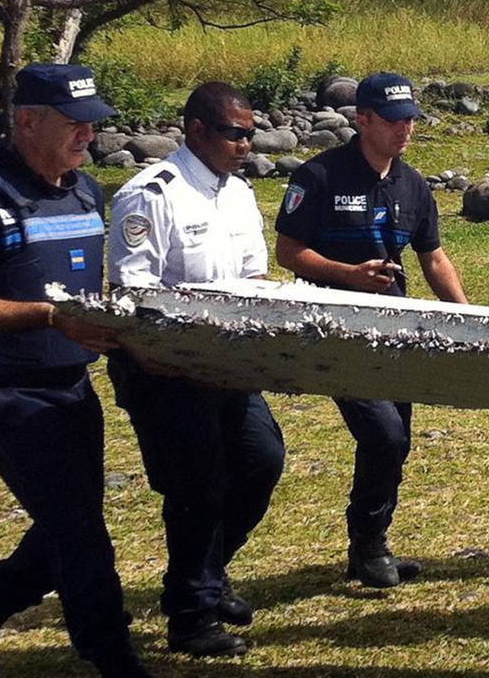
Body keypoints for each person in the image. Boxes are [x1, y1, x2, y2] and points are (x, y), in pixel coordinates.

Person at [0, 64, 150, 678]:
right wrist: (48, 318)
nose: (88, 136)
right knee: (79, 530)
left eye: (92, 125)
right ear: (26, 121)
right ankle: (112, 655)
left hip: (73, 384)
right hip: (6, 388)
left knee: (67, 523)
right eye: (74, 124)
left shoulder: (85, 191)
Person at [106, 82, 285, 658]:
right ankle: (189, 615)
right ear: (198, 130)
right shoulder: (151, 195)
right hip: (168, 368)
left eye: (251, 134)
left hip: (230, 365)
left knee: (261, 461)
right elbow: (134, 291)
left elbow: (253, 279)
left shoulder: (238, 194)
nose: (245, 144)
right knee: (197, 487)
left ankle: (207, 573)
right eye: (235, 133)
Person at [274, 72, 468, 589]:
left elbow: (434, 256)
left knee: (397, 437)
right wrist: (349, 276)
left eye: (410, 120)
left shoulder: (413, 183)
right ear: (362, 120)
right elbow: (288, 253)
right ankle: (370, 545)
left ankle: (368, 546)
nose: (405, 129)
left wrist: (471, 318)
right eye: (393, 120)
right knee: (381, 433)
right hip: (334, 328)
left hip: (394, 327)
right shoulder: (319, 176)